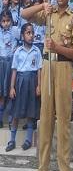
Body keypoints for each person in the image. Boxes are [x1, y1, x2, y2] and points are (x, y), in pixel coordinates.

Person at [21, 0, 73, 171]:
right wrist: (42, 5)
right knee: (45, 121)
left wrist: (57, 47)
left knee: (63, 122)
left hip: (64, 67)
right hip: (47, 67)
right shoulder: (48, 13)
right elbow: (24, 14)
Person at [5, 23, 41, 152]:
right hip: (20, 81)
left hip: (32, 81)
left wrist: (39, 86)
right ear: (22, 35)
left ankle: (28, 140)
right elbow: (14, 70)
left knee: (31, 112)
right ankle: (12, 140)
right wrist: (12, 87)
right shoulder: (18, 52)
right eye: (28, 33)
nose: (31, 36)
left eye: (32, 33)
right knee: (16, 112)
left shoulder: (36, 51)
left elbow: (39, 70)